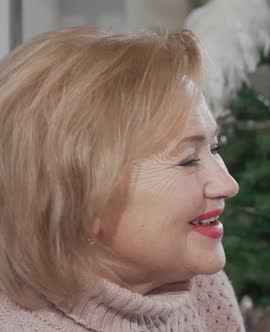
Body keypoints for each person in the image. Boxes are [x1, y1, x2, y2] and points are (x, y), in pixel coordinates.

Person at [0, 26, 244, 331]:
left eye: (214, 148)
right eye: (188, 160)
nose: (228, 184)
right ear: (82, 198)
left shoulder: (200, 287)